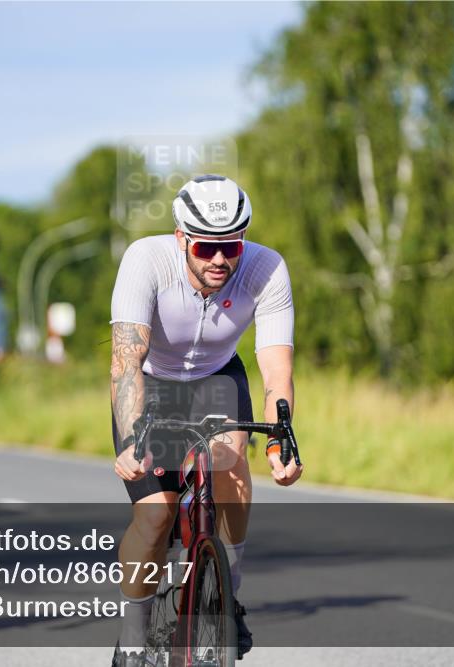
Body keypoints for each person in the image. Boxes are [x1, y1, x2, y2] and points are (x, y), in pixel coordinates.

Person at [109, 175, 303, 665]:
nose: (220, 260)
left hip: (218, 376)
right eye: (205, 247)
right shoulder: (146, 259)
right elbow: (126, 361)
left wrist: (281, 440)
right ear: (181, 239)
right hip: (152, 383)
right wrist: (134, 436)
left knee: (230, 464)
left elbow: (276, 368)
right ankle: (133, 640)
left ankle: (228, 594)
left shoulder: (266, 268)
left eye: (231, 245)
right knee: (155, 516)